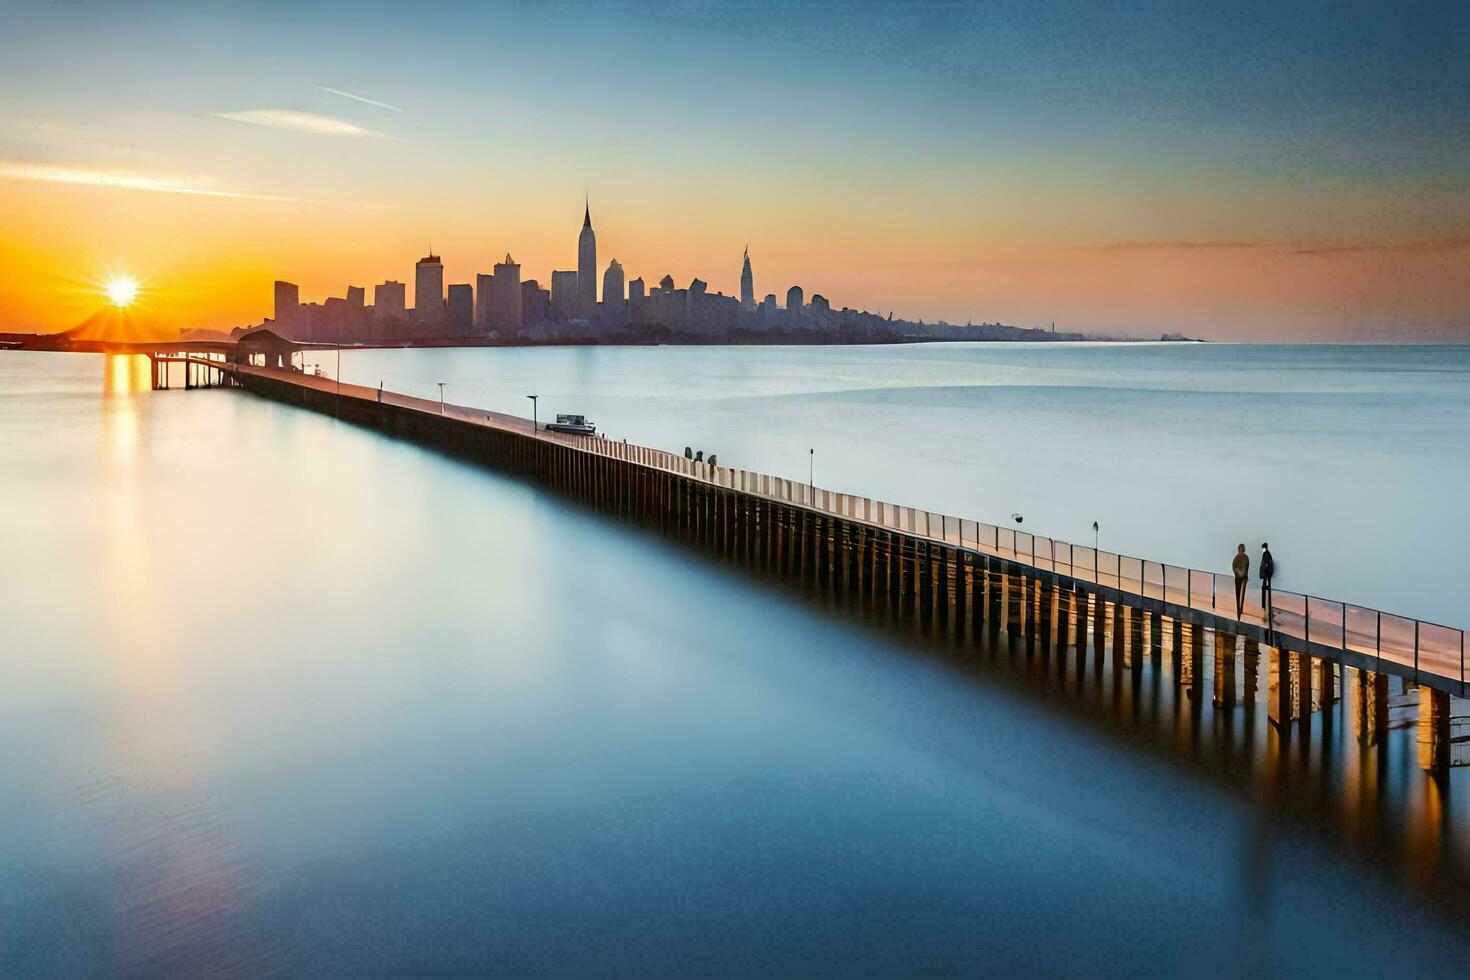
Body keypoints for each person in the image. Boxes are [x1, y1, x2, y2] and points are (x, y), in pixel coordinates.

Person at [1231, 543, 1249, 618]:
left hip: (1240, 577)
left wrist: (1238, 574)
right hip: (1241, 577)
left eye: (1242, 548)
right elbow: (1235, 568)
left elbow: (1234, 568)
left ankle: (1239, 609)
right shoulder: (1244, 557)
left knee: (1238, 594)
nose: (1242, 550)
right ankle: (1239, 609)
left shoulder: (1239, 558)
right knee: (1239, 594)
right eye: (1241, 548)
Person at [1260, 542, 1275, 612]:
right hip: (1267, 573)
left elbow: (1266, 563)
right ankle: (1265, 605)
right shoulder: (1267, 554)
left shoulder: (1266, 554)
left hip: (1266, 573)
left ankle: (1264, 606)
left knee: (1264, 588)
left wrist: (1265, 570)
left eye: (1263, 548)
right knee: (1266, 587)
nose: (1262, 549)